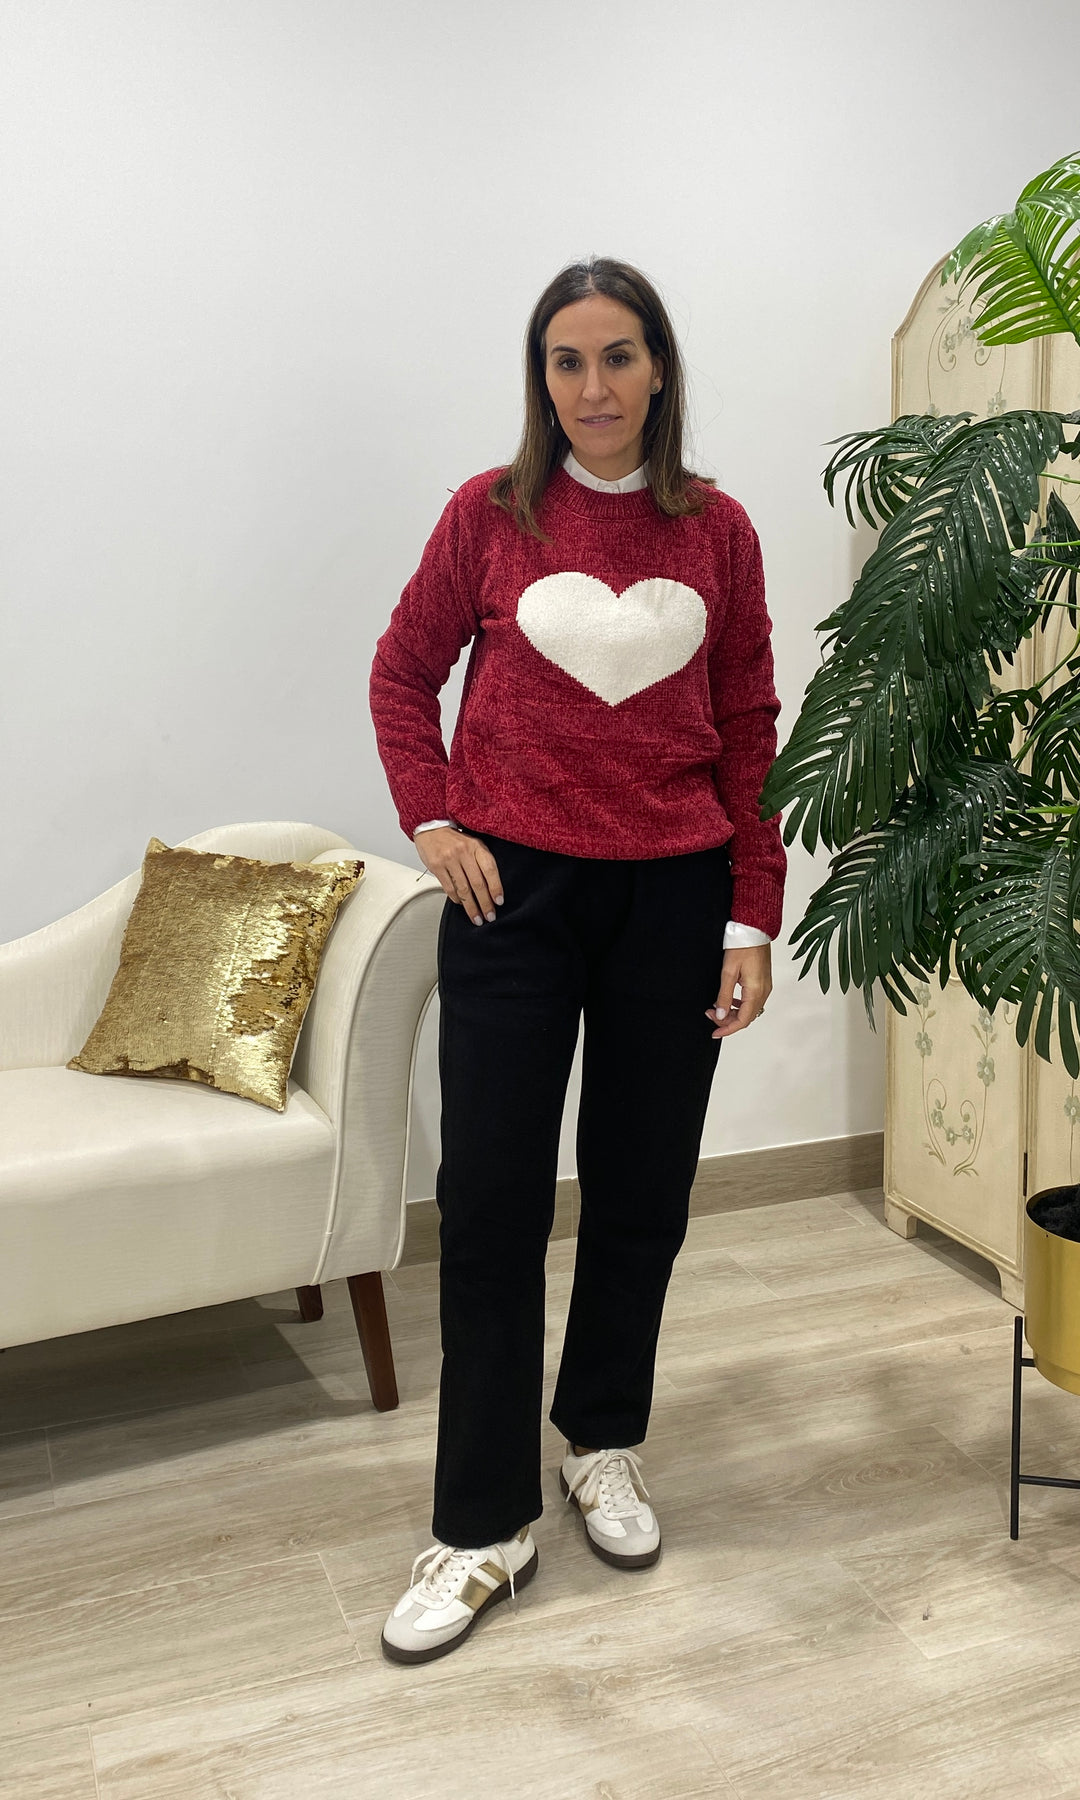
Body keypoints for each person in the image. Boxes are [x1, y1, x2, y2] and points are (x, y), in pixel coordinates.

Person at [368, 256, 785, 1666]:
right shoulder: (487, 516)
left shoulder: (718, 531)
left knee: (643, 1187)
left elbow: (749, 721)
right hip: (513, 896)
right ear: (540, 379)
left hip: (674, 894)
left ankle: (602, 1437)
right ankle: (483, 1524)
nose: (593, 387)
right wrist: (433, 818)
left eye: (618, 357)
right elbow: (402, 671)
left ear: (658, 370)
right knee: (489, 1200)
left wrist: (749, 913)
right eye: (567, 361)